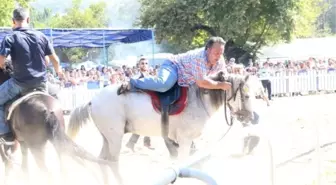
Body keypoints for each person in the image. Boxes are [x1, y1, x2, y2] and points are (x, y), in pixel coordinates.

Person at [0, 8, 63, 137]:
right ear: (28, 20)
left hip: (19, 84)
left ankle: (5, 133)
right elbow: (53, 60)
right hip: (42, 83)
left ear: (13, 21)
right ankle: (62, 125)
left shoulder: (10, 38)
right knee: (57, 95)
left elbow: (1, 61)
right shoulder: (41, 36)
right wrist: (59, 72)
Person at [118, 36, 231, 95]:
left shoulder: (220, 59)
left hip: (187, 78)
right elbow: (201, 82)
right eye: (216, 53)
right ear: (208, 50)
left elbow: (225, 75)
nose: (219, 56)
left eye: (221, 53)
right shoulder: (199, 57)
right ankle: (132, 83)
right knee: (164, 84)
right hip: (174, 66)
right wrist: (220, 85)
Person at [126, 57, 154, 151]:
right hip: (139, 105)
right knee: (142, 124)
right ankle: (142, 143)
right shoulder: (135, 78)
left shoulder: (151, 77)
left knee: (146, 124)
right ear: (139, 65)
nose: (144, 65)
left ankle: (133, 143)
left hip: (150, 103)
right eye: (142, 63)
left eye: (146, 63)